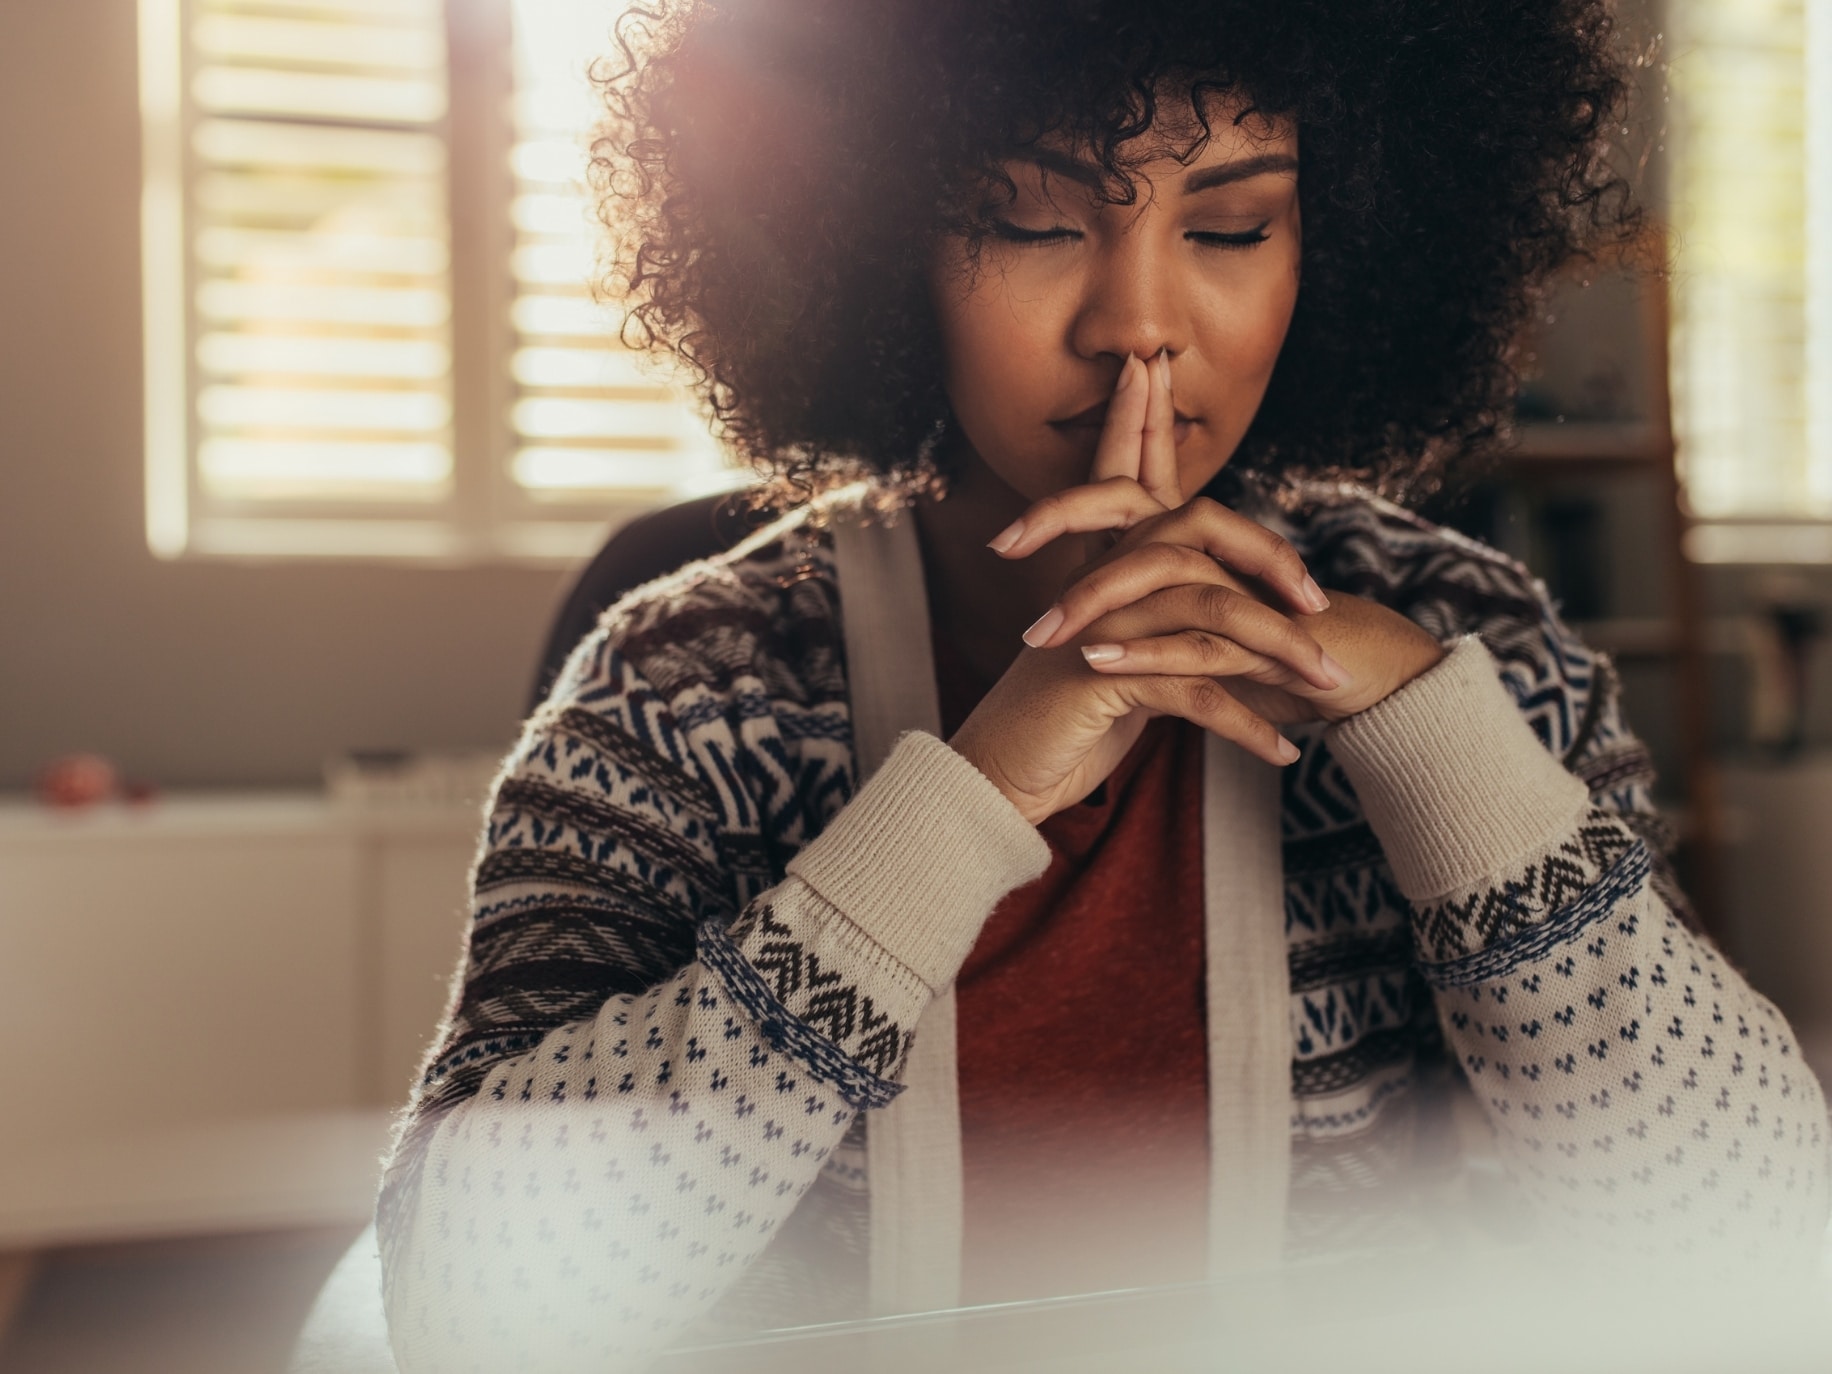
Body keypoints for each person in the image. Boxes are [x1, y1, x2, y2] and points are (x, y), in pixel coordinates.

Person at [377, 1, 1830, 1368]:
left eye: (1233, 224)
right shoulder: (696, 690)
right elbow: (470, 1306)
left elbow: (1760, 1250)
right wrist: (972, 796)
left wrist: (1436, 744)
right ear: (875, 234)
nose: (1138, 321)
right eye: (1031, 219)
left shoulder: (1468, 639)